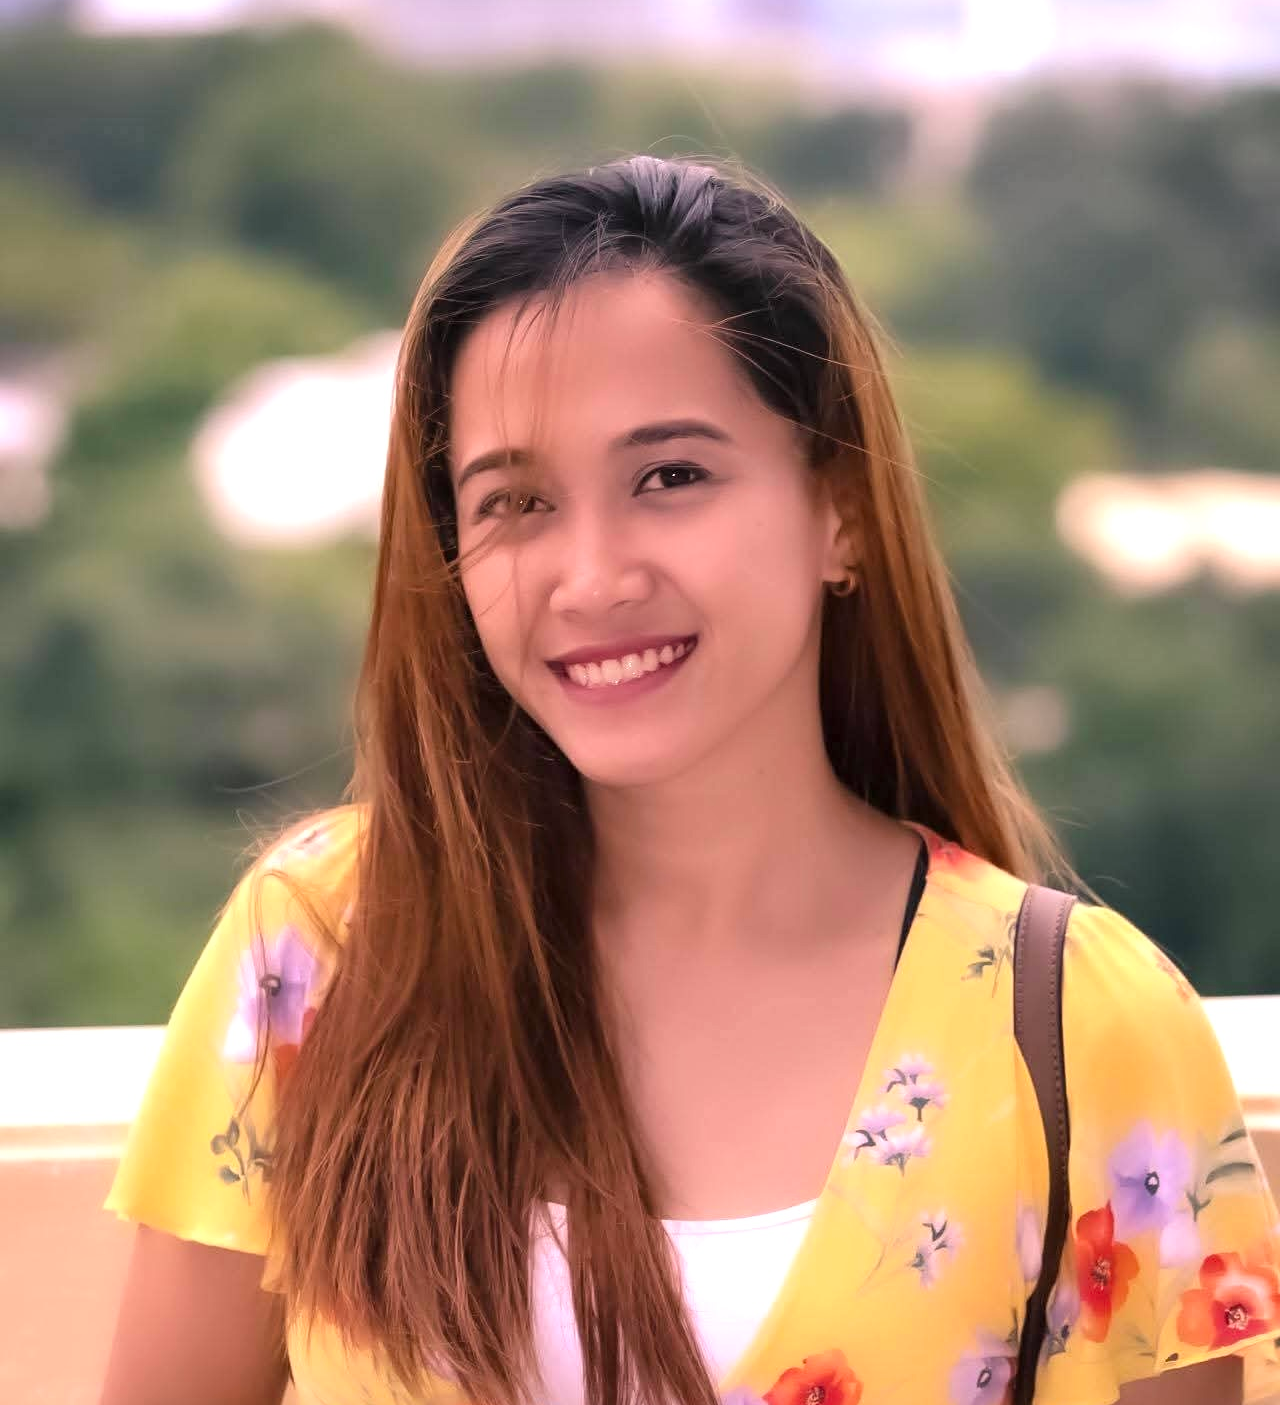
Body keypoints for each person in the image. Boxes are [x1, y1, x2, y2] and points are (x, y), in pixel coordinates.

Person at [99, 155, 1280, 1405]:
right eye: (516, 502)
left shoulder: (1079, 1028)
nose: (591, 575)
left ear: (841, 509)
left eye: (669, 476)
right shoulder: (324, 952)